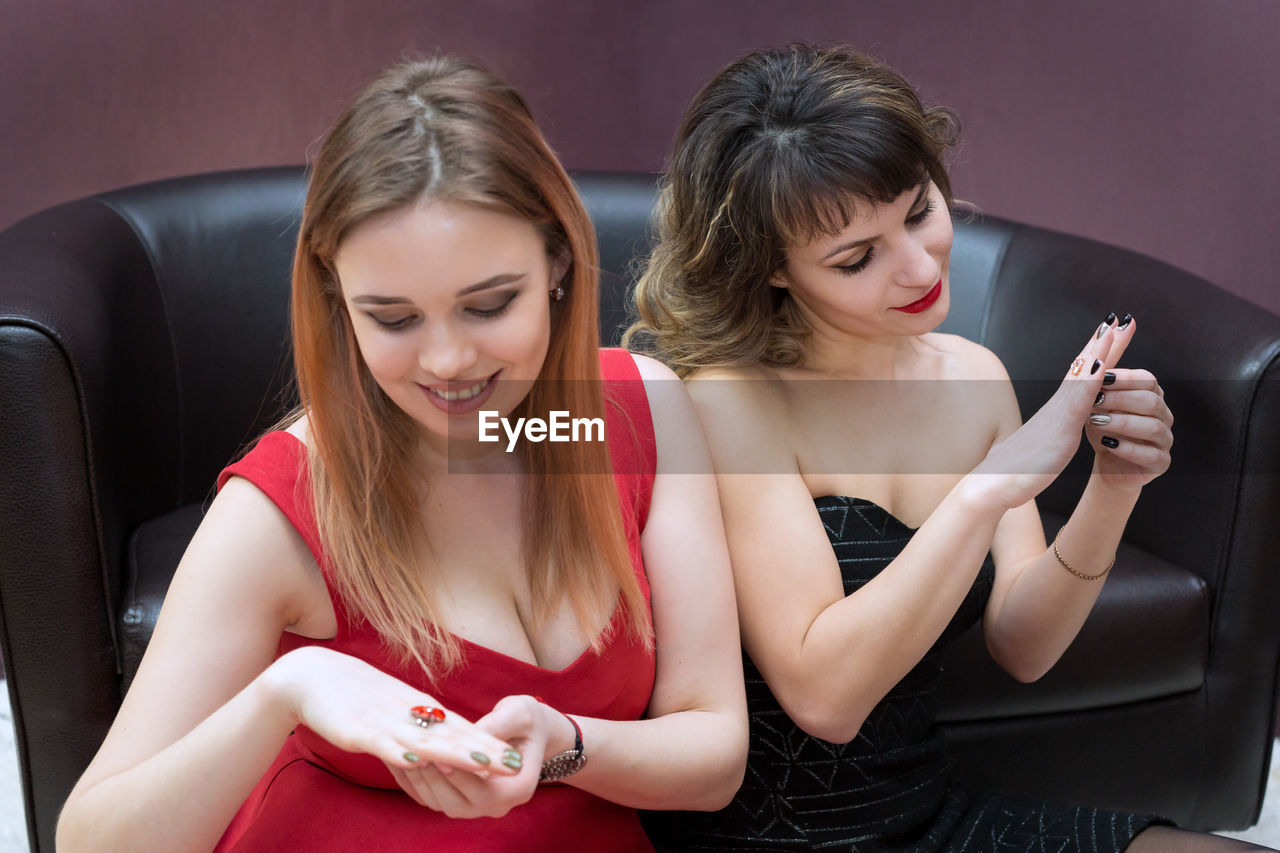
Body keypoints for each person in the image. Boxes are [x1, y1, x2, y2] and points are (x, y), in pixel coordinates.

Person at [56, 55, 747, 853]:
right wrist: (287, 691)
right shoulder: (284, 509)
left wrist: (566, 744)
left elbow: (713, 756)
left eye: (489, 304)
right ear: (336, 299)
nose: (448, 361)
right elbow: (92, 840)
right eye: (393, 318)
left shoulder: (625, 418)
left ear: (558, 260)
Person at [626, 44, 1266, 852]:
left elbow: (1025, 645)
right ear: (772, 271)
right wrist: (987, 487)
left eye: (919, 209)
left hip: (930, 818)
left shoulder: (973, 374)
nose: (920, 263)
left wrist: (1114, 482)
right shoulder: (727, 401)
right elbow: (826, 696)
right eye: (857, 257)